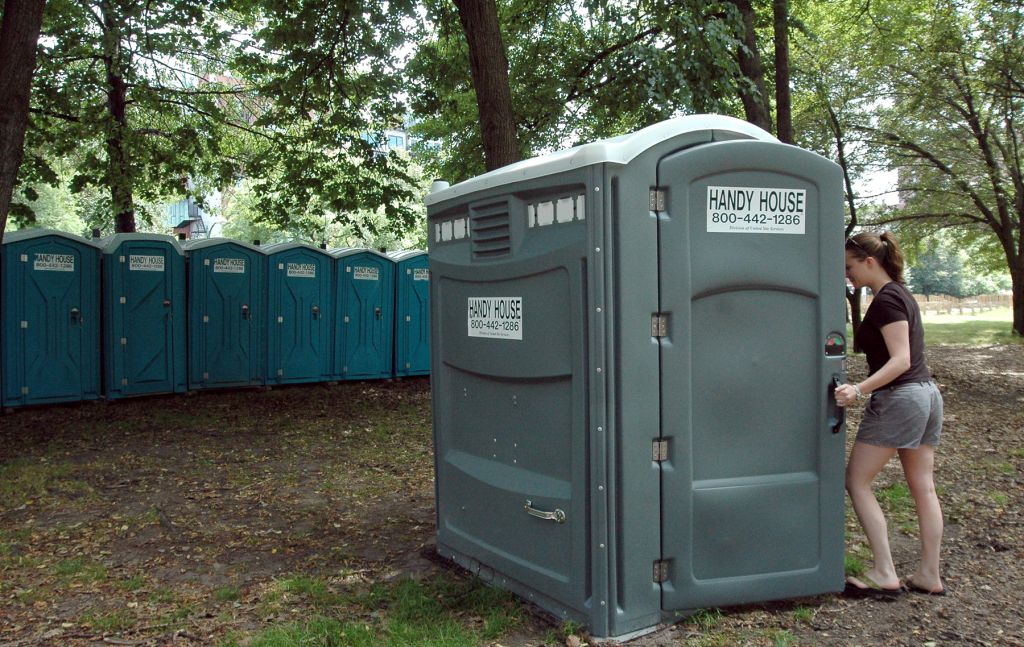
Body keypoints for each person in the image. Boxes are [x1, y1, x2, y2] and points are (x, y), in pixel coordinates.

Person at [837, 231, 946, 598]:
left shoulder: (886, 301)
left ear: (870, 262)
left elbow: (902, 360)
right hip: (926, 395)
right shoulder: (900, 294)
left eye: (850, 267)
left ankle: (884, 571)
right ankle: (928, 574)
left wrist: (858, 389)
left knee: (856, 480)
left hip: (902, 397)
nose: (847, 274)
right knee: (923, 487)